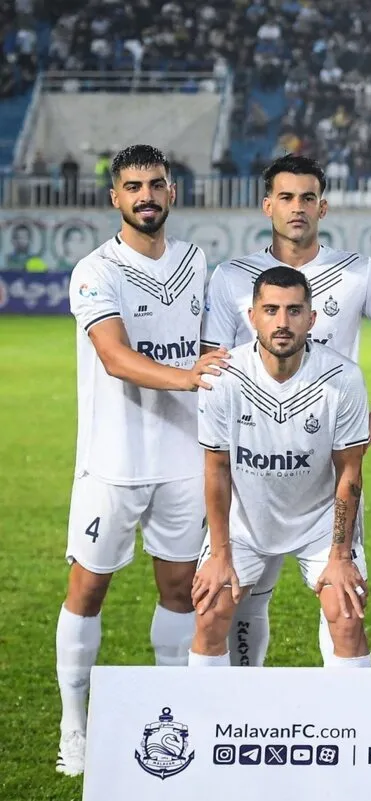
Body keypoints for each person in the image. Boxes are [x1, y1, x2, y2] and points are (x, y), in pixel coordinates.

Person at [57, 144, 226, 776]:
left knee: (180, 591)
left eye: (156, 184)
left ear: (171, 192)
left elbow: (207, 345)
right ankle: (75, 727)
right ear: (115, 197)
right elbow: (115, 357)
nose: (146, 196)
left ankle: (169, 716)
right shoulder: (94, 271)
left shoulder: (194, 261)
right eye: (133, 187)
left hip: (183, 459)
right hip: (114, 461)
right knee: (88, 588)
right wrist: (188, 378)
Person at [201, 154, 371, 668]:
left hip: (326, 467)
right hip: (252, 476)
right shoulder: (232, 277)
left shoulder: (357, 272)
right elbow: (214, 367)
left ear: (323, 207)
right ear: (268, 206)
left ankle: (347, 715)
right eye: (286, 197)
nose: (297, 207)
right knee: (232, 603)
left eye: (308, 197)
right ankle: (228, 709)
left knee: (344, 608)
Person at [190, 267, 371, 670]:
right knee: (210, 610)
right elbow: (216, 470)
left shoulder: (343, 378)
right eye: (271, 310)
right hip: (245, 524)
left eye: (294, 311)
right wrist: (219, 554)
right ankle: (212, 709)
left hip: (319, 523)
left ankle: (354, 710)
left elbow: (350, 474)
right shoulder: (223, 378)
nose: (282, 322)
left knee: (346, 616)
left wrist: (340, 555)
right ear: (252, 317)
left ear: (312, 318)